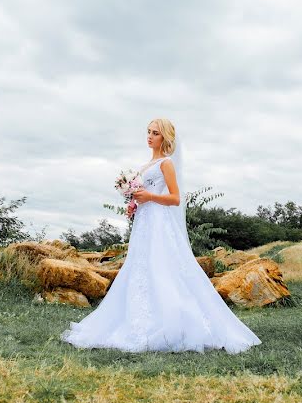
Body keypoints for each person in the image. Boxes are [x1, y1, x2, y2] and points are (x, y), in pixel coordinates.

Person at [60, 118, 262, 354]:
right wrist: (135, 204)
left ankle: (172, 321)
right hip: (144, 222)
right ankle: (138, 318)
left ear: (164, 137)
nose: (149, 136)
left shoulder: (166, 164)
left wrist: (149, 197)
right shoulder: (146, 165)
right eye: (148, 132)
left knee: (162, 267)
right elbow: (145, 194)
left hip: (159, 224)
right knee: (140, 267)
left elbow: (176, 198)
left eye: (155, 133)